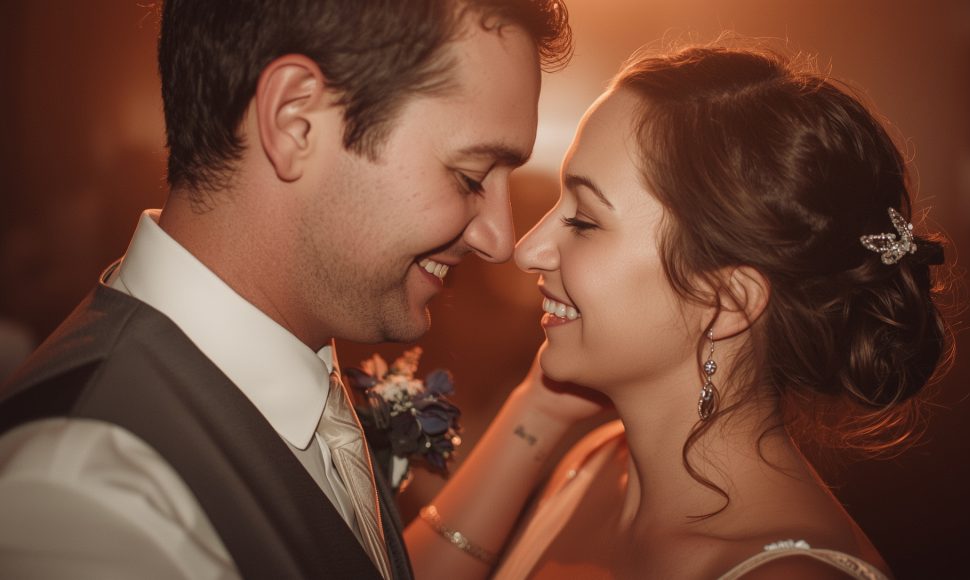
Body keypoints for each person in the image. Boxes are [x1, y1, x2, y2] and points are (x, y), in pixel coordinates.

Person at [0, 1, 571, 579]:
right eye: (470, 176)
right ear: (294, 121)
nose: (500, 240)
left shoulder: (295, 360)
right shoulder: (86, 496)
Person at [408, 45, 951, 579]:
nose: (525, 248)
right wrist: (536, 412)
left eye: (585, 221)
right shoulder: (596, 465)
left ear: (726, 302)